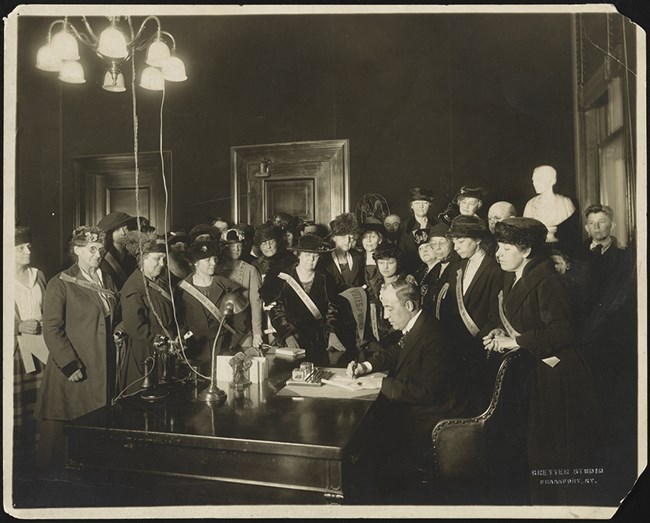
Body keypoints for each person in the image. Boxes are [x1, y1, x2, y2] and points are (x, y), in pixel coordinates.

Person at [483, 217, 601, 505]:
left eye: (505, 247)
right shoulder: (517, 277)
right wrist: (503, 331)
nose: (498, 253)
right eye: (499, 246)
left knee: (556, 451)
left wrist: (516, 341)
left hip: (560, 375)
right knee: (538, 448)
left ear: (525, 251)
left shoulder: (546, 279)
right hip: (539, 371)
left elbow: (562, 331)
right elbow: (525, 322)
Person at [345, 276, 467, 502]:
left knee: (365, 442)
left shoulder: (434, 335)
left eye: (389, 308)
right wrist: (365, 366)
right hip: (419, 411)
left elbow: (427, 391)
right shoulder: (418, 324)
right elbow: (395, 353)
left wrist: (381, 383)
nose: (384, 315)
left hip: (432, 419)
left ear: (409, 306)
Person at [35, 226, 120, 475]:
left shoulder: (107, 278)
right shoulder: (60, 283)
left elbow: (116, 315)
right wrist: (69, 364)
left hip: (102, 365)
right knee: (62, 437)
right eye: (92, 249)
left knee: (93, 435)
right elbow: (51, 329)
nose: (98, 254)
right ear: (77, 251)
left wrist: (119, 329)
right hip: (74, 370)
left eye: (101, 249)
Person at [438, 215, 503, 411]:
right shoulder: (457, 267)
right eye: (454, 241)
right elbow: (450, 308)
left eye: (461, 241)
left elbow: (496, 314)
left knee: (477, 401)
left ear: (477, 239)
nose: (456, 246)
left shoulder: (495, 269)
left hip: (479, 349)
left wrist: (478, 344)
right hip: (455, 348)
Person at [260, 234, 346, 366]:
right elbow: (276, 311)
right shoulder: (283, 278)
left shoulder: (325, 278)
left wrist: (333, 333)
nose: (311, 259)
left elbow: (333, 309)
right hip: (291, 339)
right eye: (307, 255)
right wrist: (288, 336)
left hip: (320, 340)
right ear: (299, 255)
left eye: (315, 256)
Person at [178, 240, 249, 374]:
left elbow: (242, 322)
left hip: (223, 351)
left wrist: (230, 344)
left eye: (214, 258)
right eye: (207, 259)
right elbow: (178, 321)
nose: (213, 263)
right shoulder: (181, 290)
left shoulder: (227, 286)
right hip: (194, 353)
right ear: (195, 263)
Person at [119, 231, 178, 392]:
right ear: (142, 260)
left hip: (166, 349)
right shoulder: (134, 286)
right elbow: (135, 327)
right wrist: (163, 342)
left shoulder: (162, 283)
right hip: (146, 353)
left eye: (163, 259)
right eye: (156, 259)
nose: (162, 263)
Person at [14, 226, 48, 472]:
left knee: (40, 407)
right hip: (14, 354)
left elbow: (49, 309)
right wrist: (18, 325)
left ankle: (40, 459)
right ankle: (19, 462)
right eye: (21, 248)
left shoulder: (39, 275)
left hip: (41, 350)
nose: (28, 250)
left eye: (28, 246)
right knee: (19, 412)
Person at [220, 228, 264, 348]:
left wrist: (257, 333)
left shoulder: (250, 270)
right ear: (224, 247)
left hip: (244, 329)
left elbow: (256, 303)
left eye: (239, 245)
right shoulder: (215, 269)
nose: (236, 249)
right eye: (232, 246)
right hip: (220, 330)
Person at [523, 165, 575, 244]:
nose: (534, 183)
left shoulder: (565, 203)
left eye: (539, 179)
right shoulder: (530, 204)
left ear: (552, 181)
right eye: (533, 180)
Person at [414, 222, 458, 314]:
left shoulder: (459, 267)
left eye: (442, 242)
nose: (437, 247)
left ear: (452, 242)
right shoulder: (435, 270)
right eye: (433, 244)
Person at [318, 212, 363, 293]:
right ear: (334, 238)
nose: (347, 241)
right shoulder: (324, 259)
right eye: (343, 237)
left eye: (351, 237)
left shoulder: (357, 258)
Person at [398, 187, 439, 275]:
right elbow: (401, 253)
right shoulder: (403, 226)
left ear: (430, 204)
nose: (421, 206)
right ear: (411, 206)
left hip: (436, 270)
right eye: (417, 203)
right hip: (411, 272)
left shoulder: (438, 224)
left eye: (425, 203)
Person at [97, 211, 137, 290]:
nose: (123, 233)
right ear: (110, 234)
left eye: (126, 228)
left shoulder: (131, 256)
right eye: (118, 229)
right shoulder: (104, 261)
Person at [358, 219, 385, 287]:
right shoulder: (357, 259)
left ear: (380, 240)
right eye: (365, 237)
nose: (368, 240)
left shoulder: (386, 259)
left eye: (373, 236)